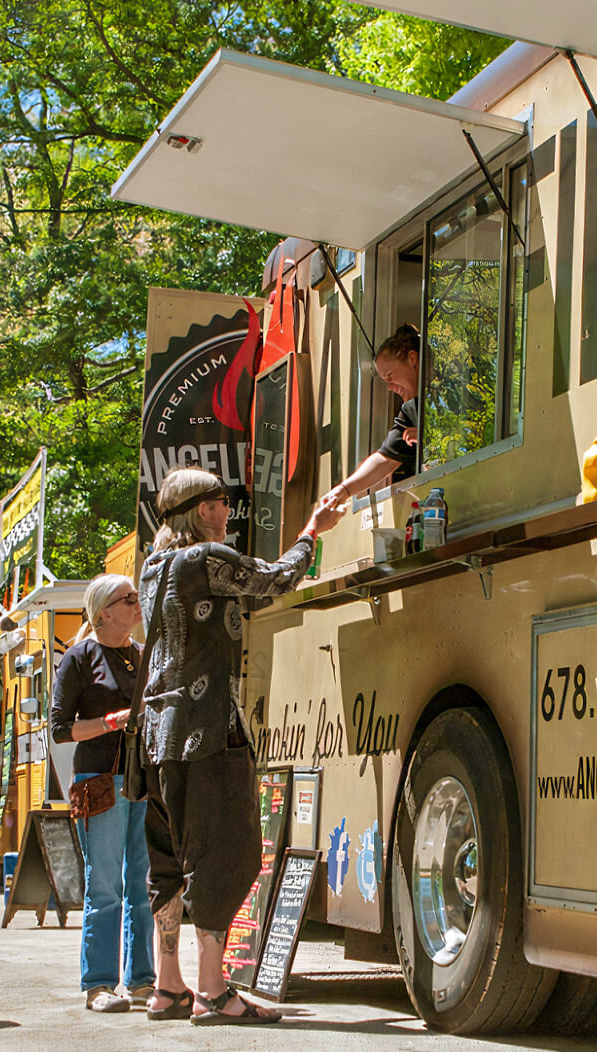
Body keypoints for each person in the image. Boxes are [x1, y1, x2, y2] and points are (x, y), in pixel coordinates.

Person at [137, 468, 342, 1024]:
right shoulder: (202, 559)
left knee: (171, 862)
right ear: (201, 510)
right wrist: (312, 532)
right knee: (227, 853)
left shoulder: (152, 568)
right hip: (206, 731)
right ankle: (212, 990)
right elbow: (274, 580)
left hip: (157, 738)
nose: (229, 511)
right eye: (223, 502)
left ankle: (167, 985)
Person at [51, 575, 155, 1012]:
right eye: (127, 599)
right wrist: (112, 721)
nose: (136, 604)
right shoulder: (79, 657)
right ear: (102, 613)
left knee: (143, 883)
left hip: (143, 778)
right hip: (101, 781)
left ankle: (144, 981)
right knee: (106, 884)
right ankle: (98, 984)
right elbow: (59, 729)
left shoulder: (142, 656)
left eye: (137, 597)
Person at [319, 324, 423, 507]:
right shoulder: (410, 411)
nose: (390, 388)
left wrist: (427, 438)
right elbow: (385, 458)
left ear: (412, 359)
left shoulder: (447, 393)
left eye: (390, 375)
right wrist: (344, 490)